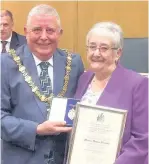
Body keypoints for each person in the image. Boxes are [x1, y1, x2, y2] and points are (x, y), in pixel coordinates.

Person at [1, 4, 84, 164]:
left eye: (50, 30)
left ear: (60, 33)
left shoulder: (74, 63)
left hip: (64, 158)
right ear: (26, 32)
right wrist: (36, 129)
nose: (44, 36)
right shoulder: (5, 63)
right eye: (37, 30)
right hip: (22, 158)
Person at [74, 22, 148, 164]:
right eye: (92, 47)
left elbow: (143, 139)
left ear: (118, 53)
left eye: (104, 48)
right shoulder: (84, 78)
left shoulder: (138, 84)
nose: (96, 53)